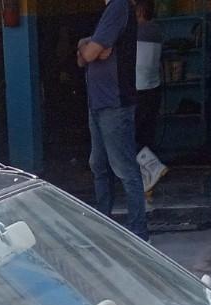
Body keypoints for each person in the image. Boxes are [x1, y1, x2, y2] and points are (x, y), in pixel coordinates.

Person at [77, 0, 148, 239]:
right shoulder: (110, 10)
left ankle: (139, 232)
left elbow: (90, 52)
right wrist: (88, 47)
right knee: (99, 165)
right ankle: (103, 226)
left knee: (124, 169)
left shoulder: (119, 6)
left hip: (114, 104)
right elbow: (84, 56)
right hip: (98, 104)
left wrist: (89, 48)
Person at [134, 1, 163, 154]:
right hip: (154, 89)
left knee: (134, 135)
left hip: (139, 90)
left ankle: (136, 174)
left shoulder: (137, 31)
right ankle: (149, 174)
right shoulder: (156, 30)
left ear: (139, 11)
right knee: (148, 136)